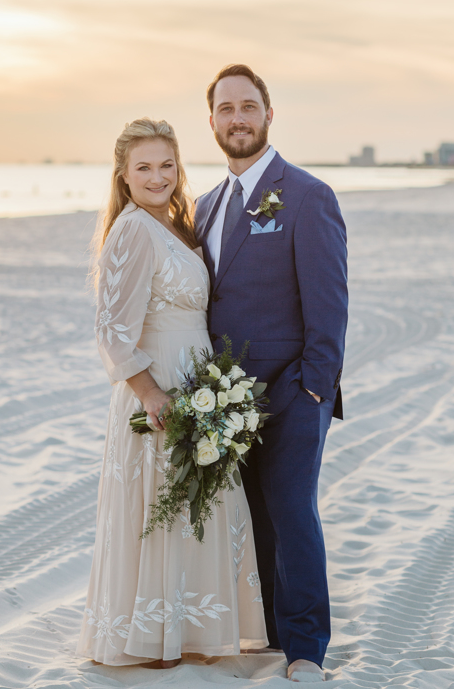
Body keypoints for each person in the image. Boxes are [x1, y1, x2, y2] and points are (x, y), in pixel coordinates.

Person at [77, 117, 267, 668]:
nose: (158, 176)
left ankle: (181, 632)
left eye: (167, 165)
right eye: (144, 167)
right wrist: (151, 394)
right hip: (158, 389)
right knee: (164, 509)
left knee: (191, 508)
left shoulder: (174, 225)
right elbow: (112, 328)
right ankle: (155, 639)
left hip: (196, 383)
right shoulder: (134, 228)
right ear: (124, 176)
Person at [195, 65, 348, 683]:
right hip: (225, 400)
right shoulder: (205, 206)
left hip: (292, 390)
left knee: (292, 510)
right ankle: (279, 636)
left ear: (268, 114)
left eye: (248, 107)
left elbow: (329, 299)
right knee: (255, 513)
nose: (237, 118)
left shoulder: (307, 195)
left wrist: (314, 382)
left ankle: (308, 649)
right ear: (211, 121)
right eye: (226, 109)